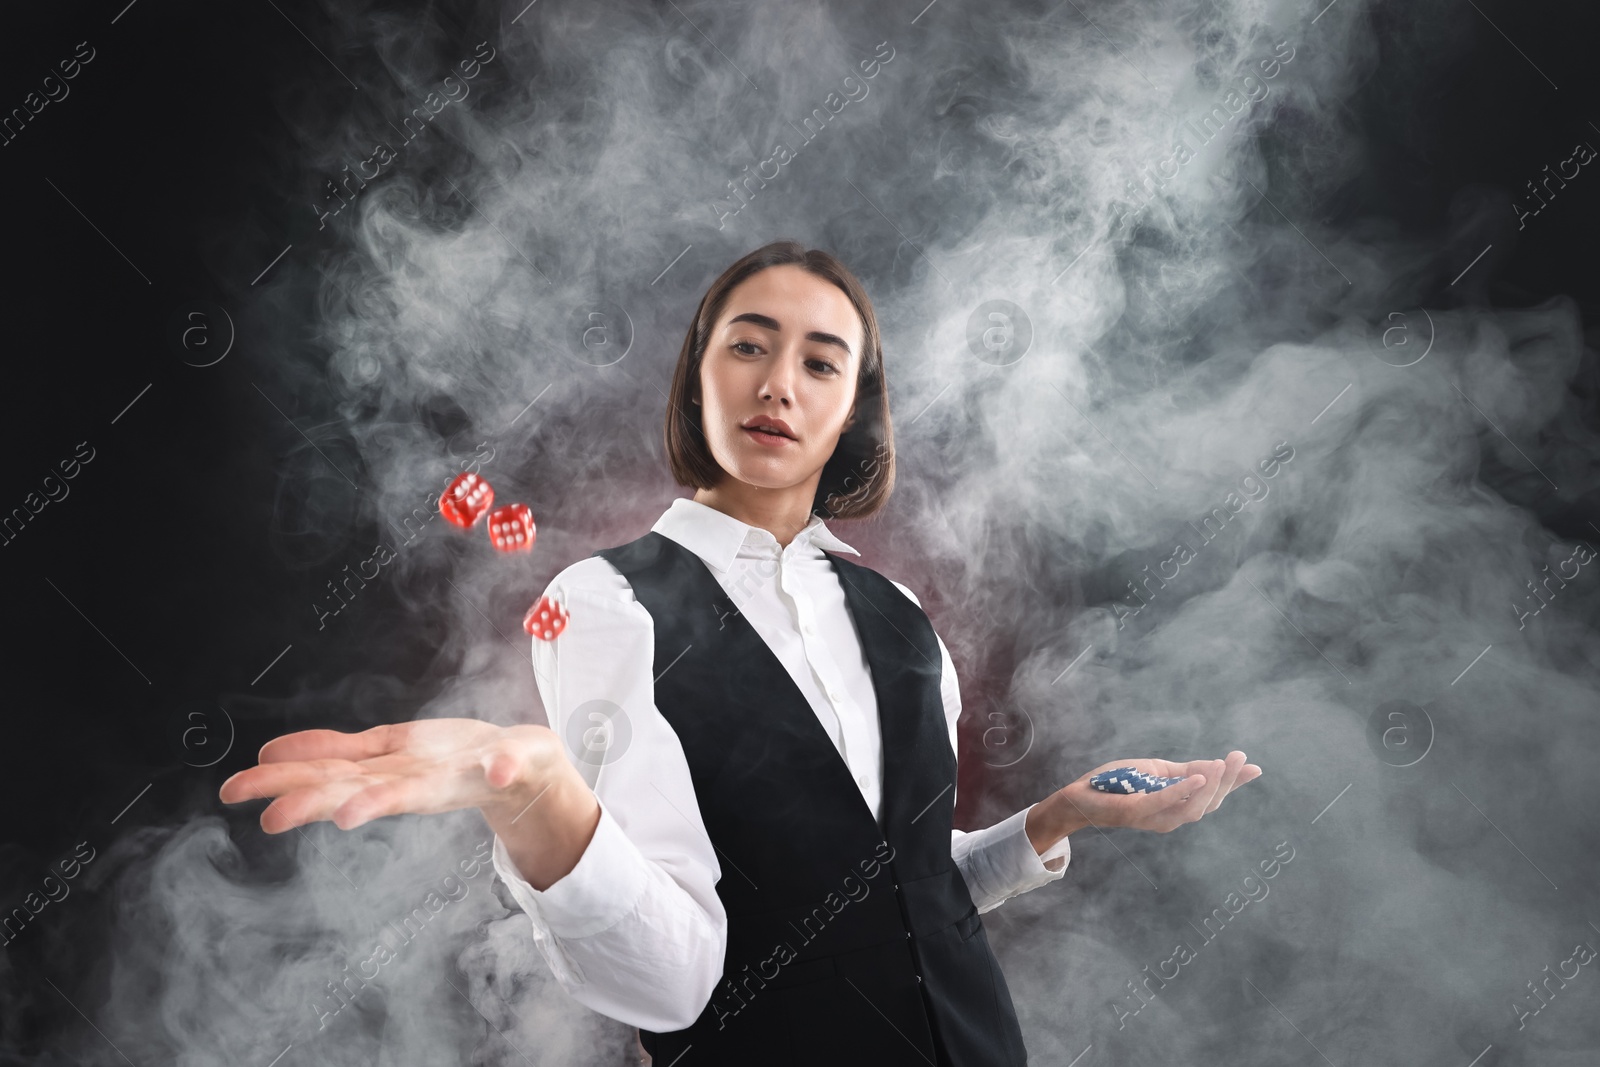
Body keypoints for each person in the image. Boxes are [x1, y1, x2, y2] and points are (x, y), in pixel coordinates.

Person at [219, 239, 1263, 1065]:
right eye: (748, 345)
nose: (780, 384)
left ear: (852, 406)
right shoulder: (606, 603)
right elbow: (673, 982)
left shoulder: (897, 611)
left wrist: (1059, 815)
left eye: (821, 361)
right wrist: (541, 804)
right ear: (697, 375)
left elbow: (897, 891)